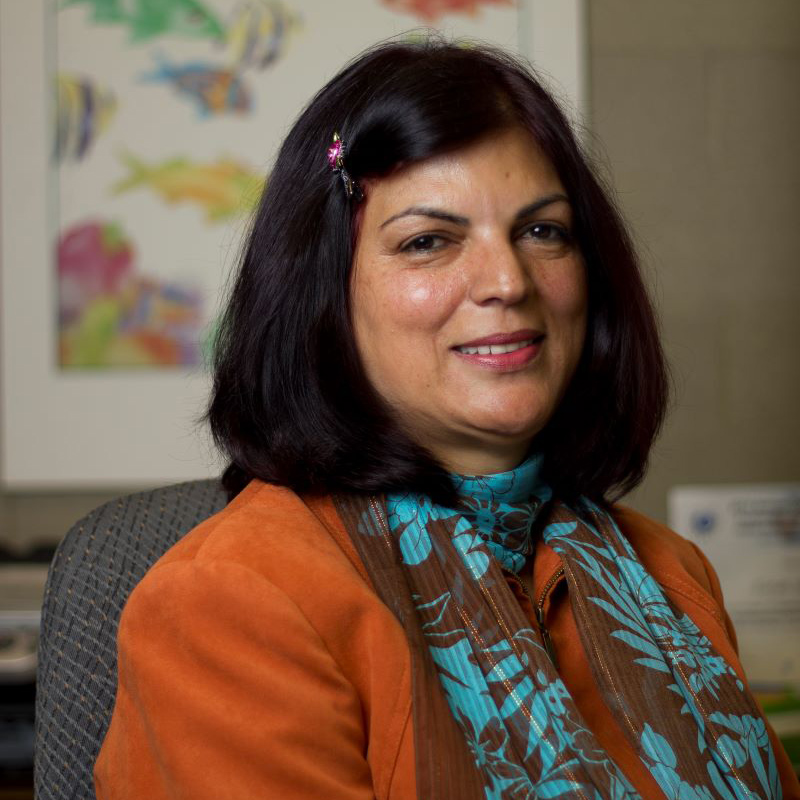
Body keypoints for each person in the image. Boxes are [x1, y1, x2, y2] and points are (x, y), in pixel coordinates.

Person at [94, 39, 799, 799]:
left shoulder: (671, 572)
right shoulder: (231, 601)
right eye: (428, 241)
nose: (508, 281)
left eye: (542, 231)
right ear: (323, 294)